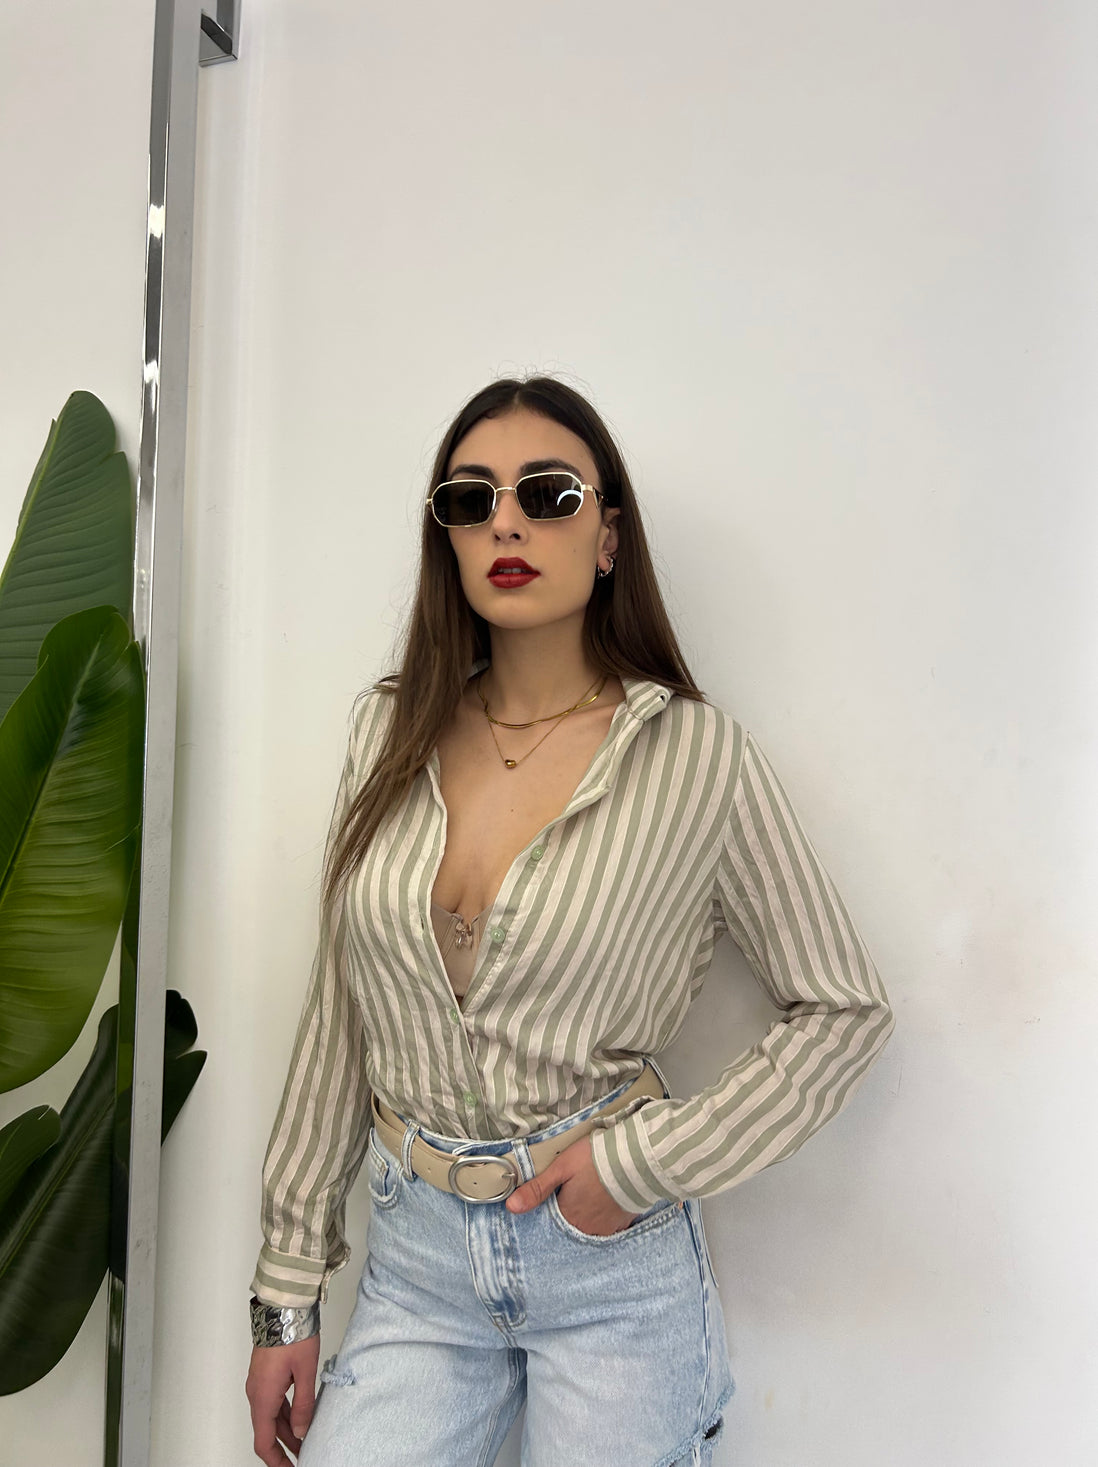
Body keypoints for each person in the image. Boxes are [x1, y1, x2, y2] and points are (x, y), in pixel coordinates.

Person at [244, 376, 894, 1467]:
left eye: (547, 494)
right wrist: (286, 1293)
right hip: (417, 1262)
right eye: (471, 499)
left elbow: (844, 1010)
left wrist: (643, 1166)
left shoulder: (693, 757)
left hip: (610, 1273)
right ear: (448, 538)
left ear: (607, 536)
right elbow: (339, 1018)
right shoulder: (387, 734)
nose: (506, 521)